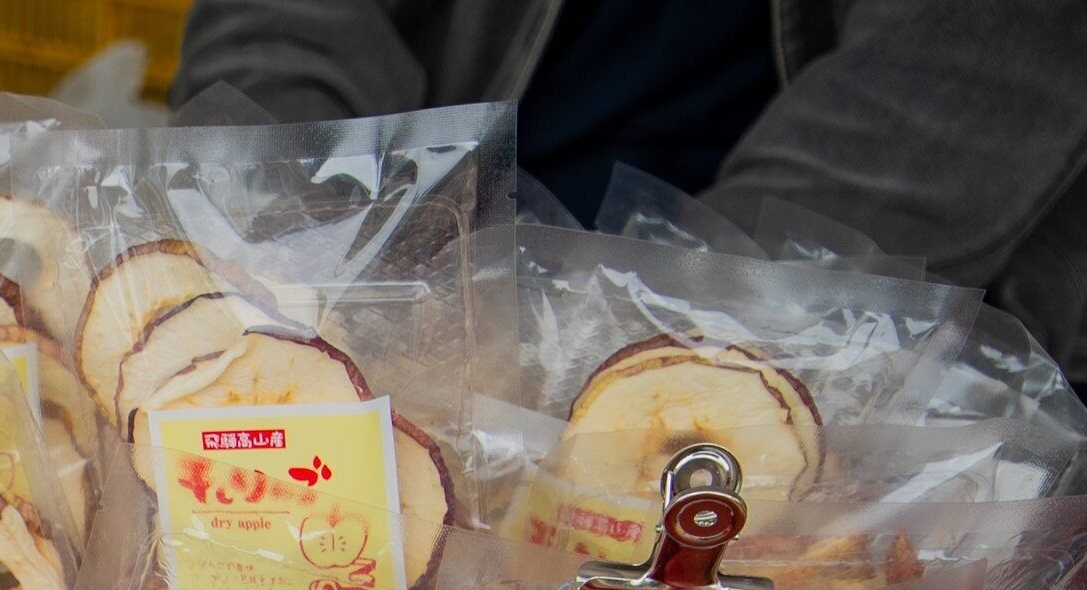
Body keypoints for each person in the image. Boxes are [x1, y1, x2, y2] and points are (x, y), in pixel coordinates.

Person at [168, 0, 1087, 373]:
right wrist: (279, 227)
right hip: (433, 282)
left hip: (841, 345)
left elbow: (937, 111)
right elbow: (292, 26)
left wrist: (614, 372)